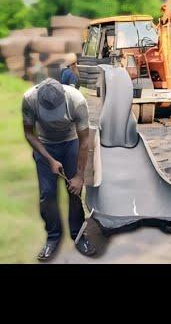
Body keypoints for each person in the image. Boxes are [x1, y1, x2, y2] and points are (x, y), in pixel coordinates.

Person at [21, 78, 96, 260]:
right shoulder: (30, 99)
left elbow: (85, 141)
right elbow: (29, 134)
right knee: (47, 194)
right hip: (45, 145)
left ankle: (78, 235)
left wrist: (79, 176)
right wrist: (49, 159)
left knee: (75, 191)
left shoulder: (76, 100)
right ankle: (53, 238)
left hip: (71, 143)